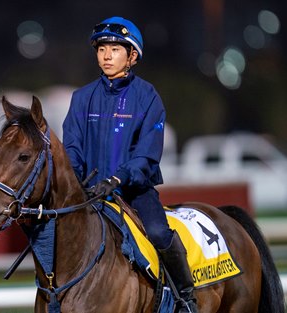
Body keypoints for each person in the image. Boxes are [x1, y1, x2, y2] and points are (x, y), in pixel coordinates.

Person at [62, 16, 197, 313]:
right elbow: (71, 147)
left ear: (132, 56)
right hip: (88, 194)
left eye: (115, 49)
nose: (107, 56)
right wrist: (76, 180)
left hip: (134, 192)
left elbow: (147, 154)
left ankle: (186, 298)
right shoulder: (81, 98)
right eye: (101, 49)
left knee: (160, 234)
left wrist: (119, 178)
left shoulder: (148, 96)